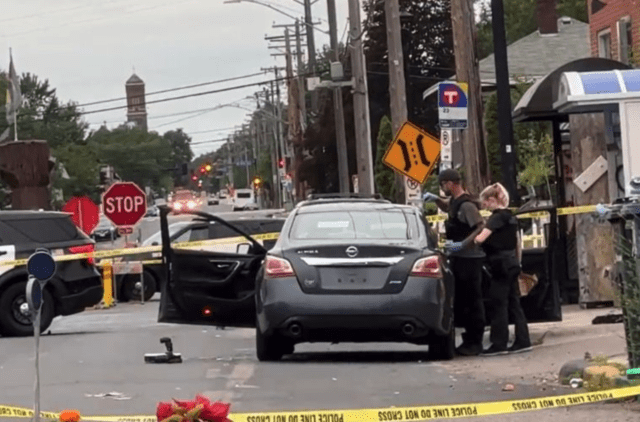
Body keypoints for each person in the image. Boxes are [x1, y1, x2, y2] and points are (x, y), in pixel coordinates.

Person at [424, 169, 486, 356]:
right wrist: (436, 199)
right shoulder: (455, 202)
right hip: (460, 258)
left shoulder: (467, 206)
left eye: (442, 185)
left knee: (472, 301)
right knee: (463, 300)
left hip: (470, 259)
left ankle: (475, 342)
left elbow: (480, 226)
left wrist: (464, 244)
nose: (442, 188)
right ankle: (468, 340)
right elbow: (447, 206)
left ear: (450, 183)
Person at [473, 183, 532, 356]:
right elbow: (516, 243)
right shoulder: (511, 217)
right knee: (514, 304)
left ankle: (499, 343)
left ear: (492, 199)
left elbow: (480, 239)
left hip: (499, 265)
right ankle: (523, 340)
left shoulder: (496, 218)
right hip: (512, 263)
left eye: (485, 202)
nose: (484, 206)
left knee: (498, 303)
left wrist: (474, 238)